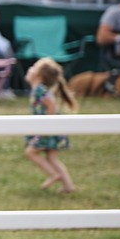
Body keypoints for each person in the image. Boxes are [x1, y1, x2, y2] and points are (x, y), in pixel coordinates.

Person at [23, 57, 77, 193]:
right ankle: (68, 186)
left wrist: (46, 126)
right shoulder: (39, 89)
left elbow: (51, 105)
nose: (30, 69)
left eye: (33, 67)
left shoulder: (39, 90)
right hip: (52, 128)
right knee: (52, 158)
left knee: (30, 152)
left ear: (39, 76)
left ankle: (53, 175)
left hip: (48, 129)